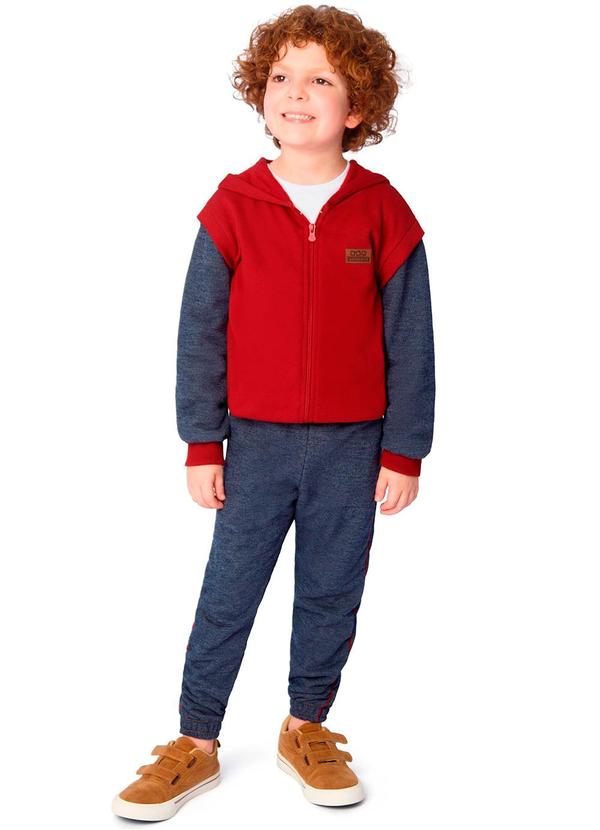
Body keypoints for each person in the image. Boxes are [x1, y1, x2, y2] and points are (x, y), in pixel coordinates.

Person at [112, 3, 435, 818]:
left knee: (331, 591)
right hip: (253, 444)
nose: (297, 92)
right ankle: (195, 742)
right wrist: (201, 441)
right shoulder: (233, 207)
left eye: (321, 80)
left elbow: (412, 339)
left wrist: (405, 450)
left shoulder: (383, 210)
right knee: (228, 593)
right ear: (261, 94)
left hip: (354, 446)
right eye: (282, 76)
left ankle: (306, 727)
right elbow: (199, 330)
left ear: (356, 108)